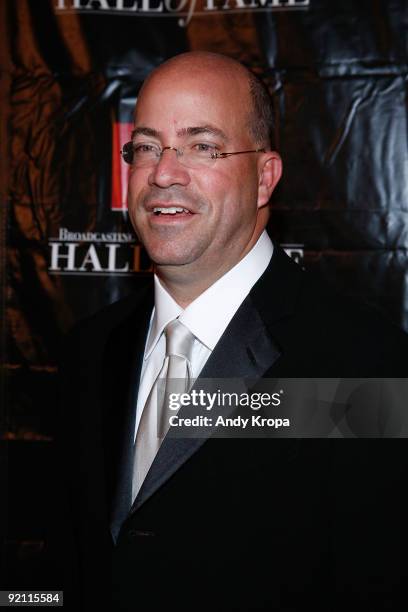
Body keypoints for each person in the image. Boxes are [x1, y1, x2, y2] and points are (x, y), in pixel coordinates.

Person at [55, 52, 408, 612]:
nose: (163, 173)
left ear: (265, 177)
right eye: (145, 147)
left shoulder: (362, 361)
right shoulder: (89, 351)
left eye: (202, 145)